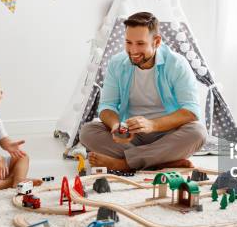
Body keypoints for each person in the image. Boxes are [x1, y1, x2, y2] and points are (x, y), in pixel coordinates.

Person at [80, 12, 207, 170]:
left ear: (157, 41)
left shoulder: (177, 64)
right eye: (128, 42)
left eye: (140, 43)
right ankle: (162, 161)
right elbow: (107, 106)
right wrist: (115, 126)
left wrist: (152, 124)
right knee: (87, 131)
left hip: (166, 134)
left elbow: (191, 111)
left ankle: (126, 164)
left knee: (198, 133)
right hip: (131, 136)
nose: (133, 50)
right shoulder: (117, 63)